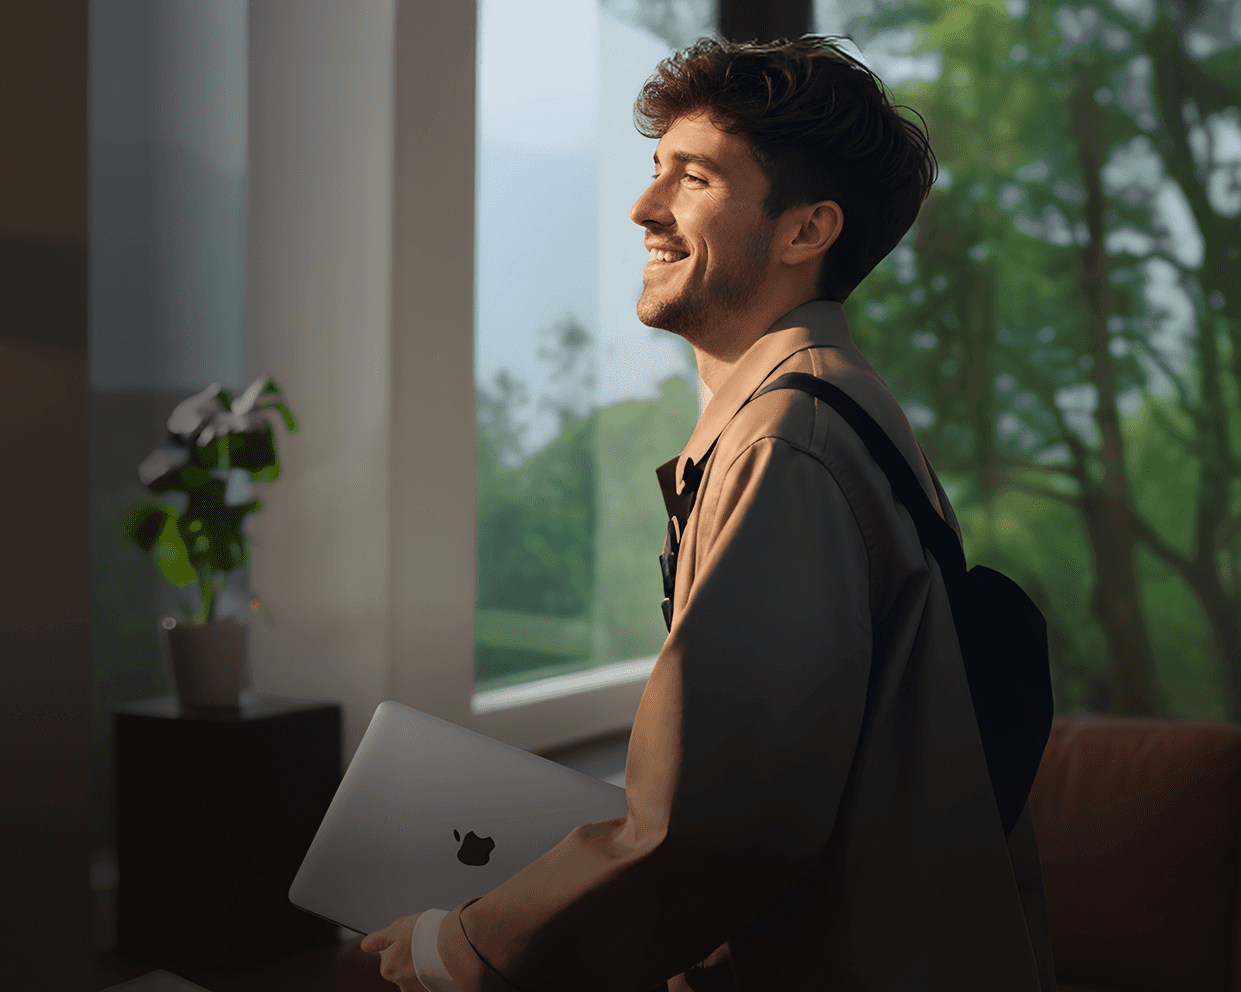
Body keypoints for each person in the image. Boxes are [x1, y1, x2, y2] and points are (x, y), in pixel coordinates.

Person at [360, 35, 1055, 992]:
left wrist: (463, 948)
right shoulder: (828, 405)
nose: (645, 208)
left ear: (805, 230)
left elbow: (721, 820)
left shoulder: (784, 442)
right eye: (655, 172)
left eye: (692, 179)